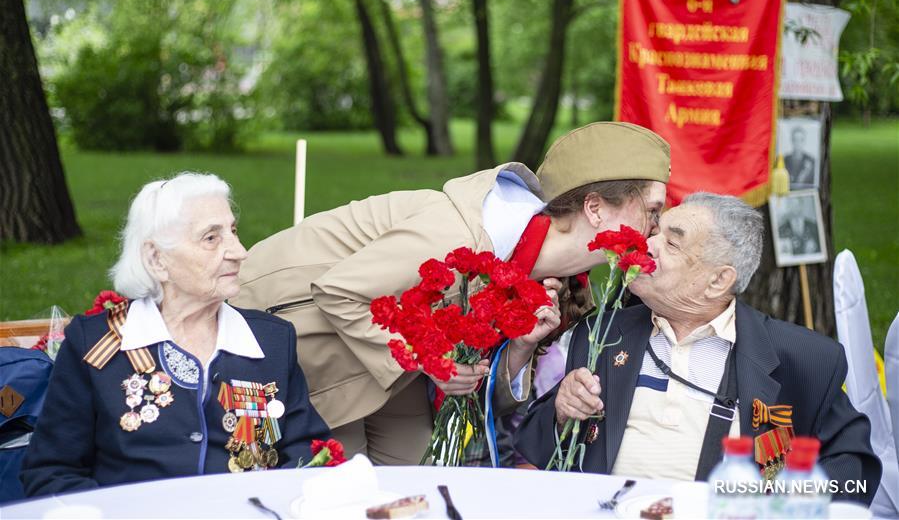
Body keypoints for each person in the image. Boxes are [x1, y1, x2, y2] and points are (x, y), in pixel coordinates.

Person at [231, 121, 671, 465]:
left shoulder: (556, 283)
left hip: (389, 366)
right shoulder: (456, 233)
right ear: (594, 208)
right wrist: (433, 362)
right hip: (303, 339)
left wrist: (519, 349)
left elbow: (482, 399)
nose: (657, 231)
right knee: (345, 488)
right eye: (652, 212)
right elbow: (338, 294)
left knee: (417, 483)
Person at [516, 193, 881, 504]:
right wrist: (561, 411)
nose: (647, 244)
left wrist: (781, 506)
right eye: (656, 232)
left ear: (718, 280)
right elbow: (536, 449)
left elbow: (856, 471)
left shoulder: (802, 359)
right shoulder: (602, 335)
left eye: (671, 243)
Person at [20, 173, 329, 497]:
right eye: (212, 238)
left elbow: (305, 451)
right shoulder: (95, 344)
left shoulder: (270, 341)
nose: (239, 251)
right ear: (157, 259)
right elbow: (52, 473)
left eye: (233, 231)